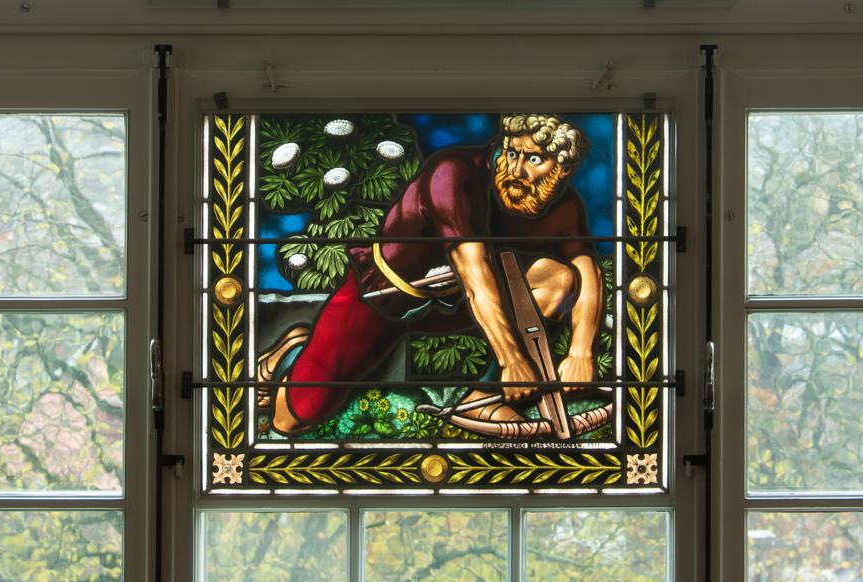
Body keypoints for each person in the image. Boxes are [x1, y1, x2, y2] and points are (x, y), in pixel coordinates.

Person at [259, 114, 605, 437]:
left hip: (457, 305)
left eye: (534, 159)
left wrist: (581, 352)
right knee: (293, 417)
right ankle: (292, 349)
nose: (516, 169)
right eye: (512, 153)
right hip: (387, 296)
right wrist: (511, 359)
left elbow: (587, 271)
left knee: (557, 280)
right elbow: (475, 274)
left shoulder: (563, 205)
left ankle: (482, 394)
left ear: (563, 168)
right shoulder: (453, 175)